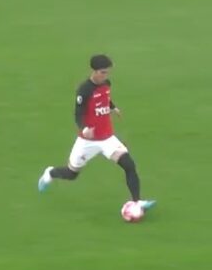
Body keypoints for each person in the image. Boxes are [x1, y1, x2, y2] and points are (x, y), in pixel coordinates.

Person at [38, 55, 156, 210]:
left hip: (107, 138)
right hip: (87, 142)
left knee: (129, 165)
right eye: (103, 72)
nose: (106, 76)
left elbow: (106, 98)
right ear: (94, 71)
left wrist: (113, 107)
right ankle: (51, 173)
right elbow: (78, 114)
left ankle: (137, 202)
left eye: (108, 72)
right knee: (72, 174)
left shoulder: (106, 84)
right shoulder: (84, 90)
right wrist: (84, 128)